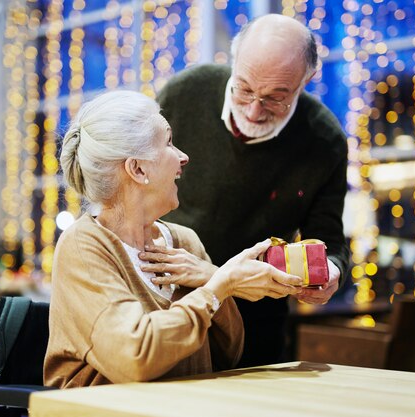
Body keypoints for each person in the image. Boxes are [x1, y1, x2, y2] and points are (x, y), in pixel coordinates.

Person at [44, 90, 302, 388]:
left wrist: (214, 278)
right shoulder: (83, 246)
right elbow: (136, 357)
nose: (183, 156)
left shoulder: (184, 241)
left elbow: (226, 355)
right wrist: (219, 287)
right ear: (138, 169)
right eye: (168, 142)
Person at [142, 14, 350, 367]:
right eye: (245, 88)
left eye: (275, 98)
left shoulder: (324, 140)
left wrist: (330, 272)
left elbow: (329, 240)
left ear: (306, 80)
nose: (254, 110)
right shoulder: (186, 93)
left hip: (255, 324)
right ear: (234, 61)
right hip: (164, 301)